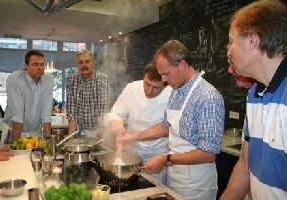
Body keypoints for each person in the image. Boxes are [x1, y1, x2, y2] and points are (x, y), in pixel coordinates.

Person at [117, 40, 225, 199]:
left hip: (195, 185)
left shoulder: (208, 97)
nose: (164, 80)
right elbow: (166, 126)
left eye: (166, 74)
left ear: (182, 65)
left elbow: (208, 153)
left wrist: (166, 158)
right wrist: (133, 137)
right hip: (174, 178)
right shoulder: (176, 91)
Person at [221, 1, 287, 199]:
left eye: (231, 41)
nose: (228, 52)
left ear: (252, 40)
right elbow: (246, 162)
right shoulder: (255, 95)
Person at [103, 61, 172, 182]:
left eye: (156, 87)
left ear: (165, 85)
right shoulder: (132, 88)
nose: (149, 91)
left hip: (157, 153)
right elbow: (113, 114)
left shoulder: (171, 95)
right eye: (147, 84)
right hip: (132, 152)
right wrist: (114, 121)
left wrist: (133, 137)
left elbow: (167, 129)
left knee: (153, 188)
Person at [2, 50, 54, 142]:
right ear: (26, 66)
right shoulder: (15, 79)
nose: (40, 68)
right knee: (14, 156)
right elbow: (17, 116)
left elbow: (46, 114)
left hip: (35, 133)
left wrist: (49, 139)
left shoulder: (48, 80)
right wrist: (16, 145)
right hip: (14, 131)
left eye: (42, 65)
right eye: (35, 64)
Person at [66, 50, 111, 139]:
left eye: (87, 62)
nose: (84, 65)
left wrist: (100, 135)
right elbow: (72, 112)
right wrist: (70, 138)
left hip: (100, 131)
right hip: (81, 131)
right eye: (81, 62)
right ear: (78, 65)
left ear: (93, 63)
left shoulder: (102, 79)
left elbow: (104, 110)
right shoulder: (72, 79)